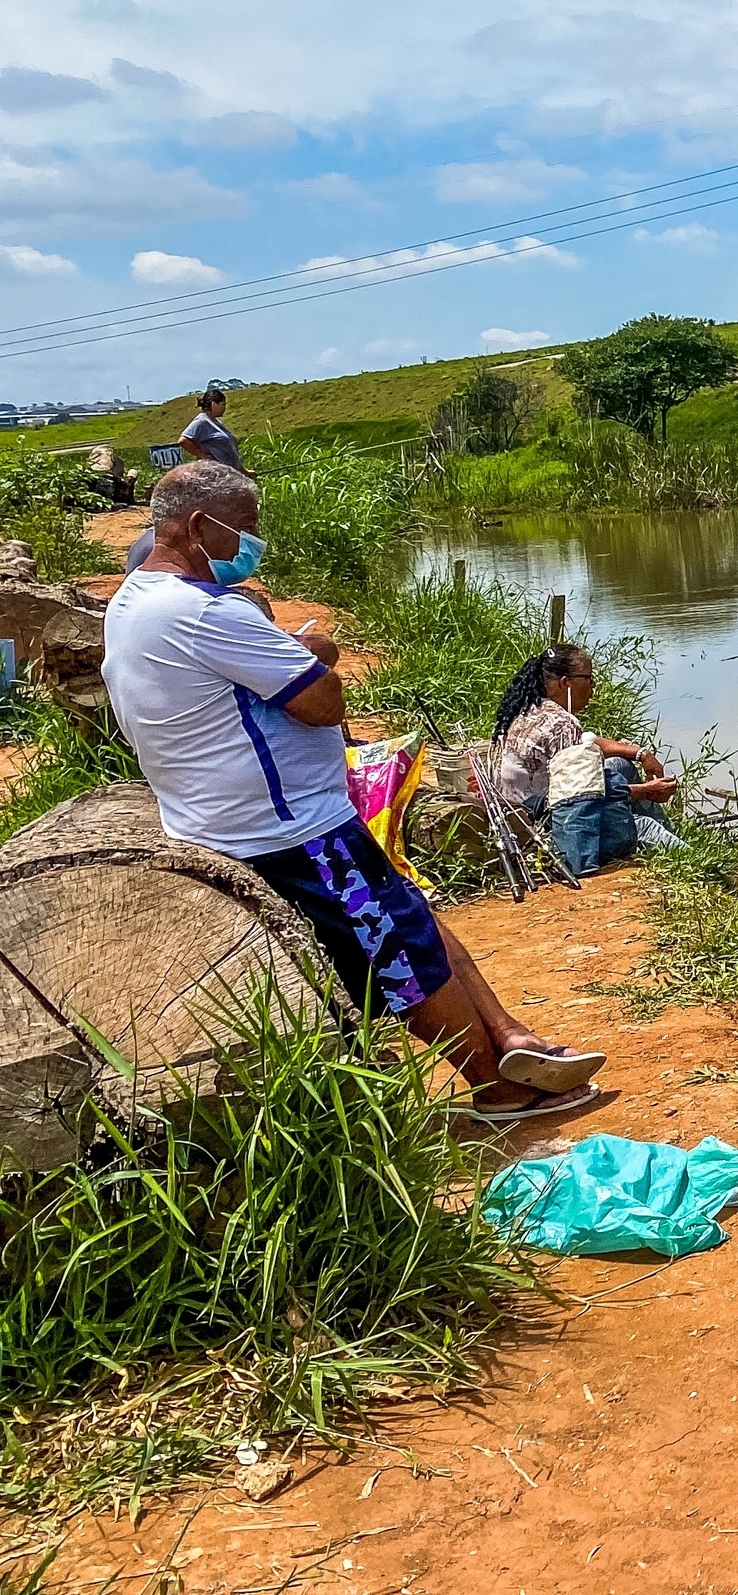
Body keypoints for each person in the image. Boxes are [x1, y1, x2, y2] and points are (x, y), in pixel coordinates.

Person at [100, 460, 606, 1122]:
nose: (251, 545)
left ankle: (509, 1036)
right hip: (286, 832)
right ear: (200, 525)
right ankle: (495, 1085)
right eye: (245, 529)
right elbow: (320, 699)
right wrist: (315, 652)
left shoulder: (139, 598)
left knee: (412, 923)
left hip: (278, 819)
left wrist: (291, 654)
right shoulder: (201, 613)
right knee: (396, 956)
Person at [493, 645, 680, 863]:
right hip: (548, 823)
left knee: (620, 765)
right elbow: (580, 796)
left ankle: (672, 831)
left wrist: (640, 753)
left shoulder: (528, 708)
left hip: (522, 809)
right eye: (588, 678)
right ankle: (687, 854)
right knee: (647, 827)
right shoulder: (561, 724)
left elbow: (588, 741)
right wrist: (647, 791)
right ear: (566, 683)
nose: (593, 686)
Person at [179, 387, 243, 470]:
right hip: (216, 474)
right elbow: (183, 440)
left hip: (229, 473)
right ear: (214, 404)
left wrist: (244, 471)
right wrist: (201, 455)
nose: (225, 408)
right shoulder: (201, 421)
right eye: (223, 404)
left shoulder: (216, 423)